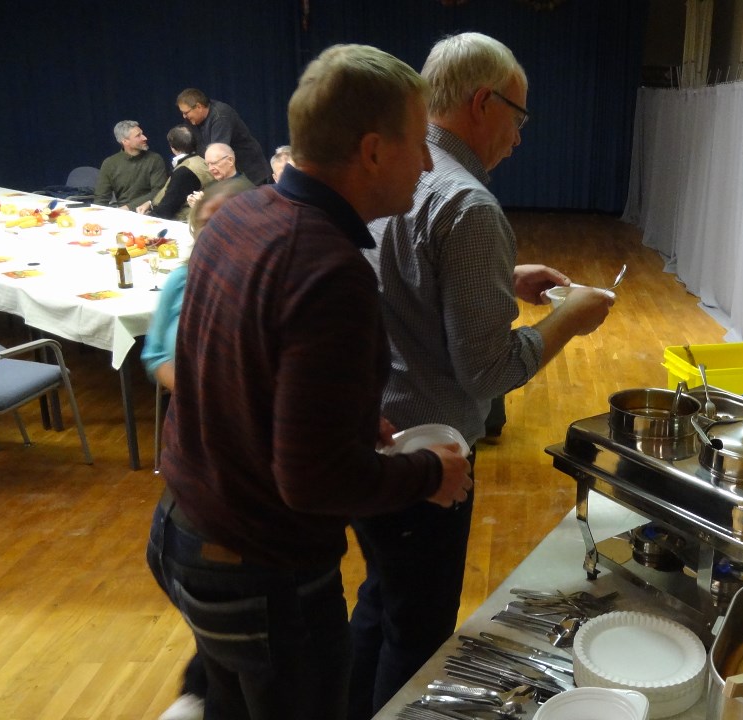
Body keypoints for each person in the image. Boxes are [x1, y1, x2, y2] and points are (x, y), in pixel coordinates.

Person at [146, 43, 471, 719]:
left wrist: (346, 417)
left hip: (182, 533)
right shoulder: (328, 268)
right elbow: (315, 483)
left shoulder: (242, 215)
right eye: (419, 143)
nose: (428, 163)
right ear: (373, 151)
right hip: (260, 573)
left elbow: (234, 379)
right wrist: (427, 474)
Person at [348, 32, 614, 716]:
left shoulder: (395, 171)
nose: (519, 139)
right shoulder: (467, 203)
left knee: (380, 601)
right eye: (518, 118)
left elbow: (402, 284)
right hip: (428, 459)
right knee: (417, 633)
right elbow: (488, 370)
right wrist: (570, 319)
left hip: (370, 435)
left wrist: (500, 279)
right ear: (481, 102)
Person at [142, 179, 252, 720]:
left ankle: (204, 690)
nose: (216, 230)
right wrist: (201, 389)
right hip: (196, 450)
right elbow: (155, 355)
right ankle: (207, 690)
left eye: (227, 219)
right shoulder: (181, 279)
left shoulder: (255, 283)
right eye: (208, 222)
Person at [176, 88, 272, 186]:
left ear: (199, 107)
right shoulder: (192, 119)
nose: (184, 116)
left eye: (186, 113)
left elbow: (217, 153)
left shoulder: (221, 116)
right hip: (230, 178)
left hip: (250, 175)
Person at [137, 125, 215, 221]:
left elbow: (166, 210)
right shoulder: (200, 161)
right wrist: (151, 204)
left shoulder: (184, 172)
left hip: (181, 221)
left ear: (172, 147)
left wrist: (143, 219)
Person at [94, 121, 168, 211]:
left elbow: (159, 191)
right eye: (138, 136)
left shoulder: (155, 159)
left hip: (149, 212)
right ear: (125, 141)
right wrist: (97, 215)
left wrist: (128, 207)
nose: (145, 138)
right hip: (123, 213)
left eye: (142, 134)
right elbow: (101, 198)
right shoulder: (110, 163)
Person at [186, 143, 252, 209]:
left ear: (230, 161)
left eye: (214, 163)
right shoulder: (210, 186)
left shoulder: (245, 190)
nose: (210, 168)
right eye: (208, 164)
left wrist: (201, 207)